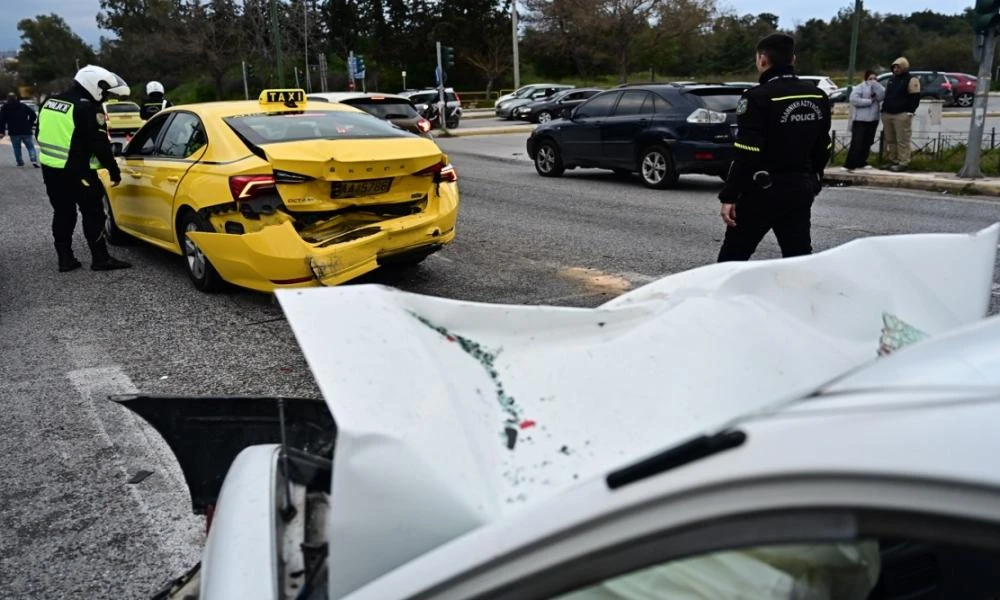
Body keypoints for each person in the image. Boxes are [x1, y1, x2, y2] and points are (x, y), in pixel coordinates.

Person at [717, 32, 832, 262]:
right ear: (793, 60)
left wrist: (729, 195)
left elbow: (747, 152)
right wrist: (813, 179)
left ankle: (721, 299)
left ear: (762, 59)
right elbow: (824, 145)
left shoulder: (757, 97)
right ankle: (802, 298)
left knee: (731, 260)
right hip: (799, 188)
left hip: (761, 190)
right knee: (798, 257)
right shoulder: (817, 95)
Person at [37, 65, 132, 272]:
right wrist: (114, 172)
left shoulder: (50, 102)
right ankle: (100, 258)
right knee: (93, 212)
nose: (105, 98)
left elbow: (39, 133)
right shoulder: (86, 107)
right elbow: (100, 146)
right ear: (94, 86)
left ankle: (65, 258)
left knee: (63, 213)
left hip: (51, 169)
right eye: (105, 93)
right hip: (78, 171)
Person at [880, 57, 920, 172]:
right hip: (888, 112)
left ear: (904, 67)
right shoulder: (892, 79)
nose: (896, 69)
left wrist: (910, 111)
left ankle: (903, 161)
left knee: (902, 139)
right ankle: (893, 159)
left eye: (898, 67)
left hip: (902, 114)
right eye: (894, 67)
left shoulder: (911, 80)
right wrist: (884, 109)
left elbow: (915, 97)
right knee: (890, 139)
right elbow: (888, 94)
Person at [844, 71, 885, 171]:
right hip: (860, 119)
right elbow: (854, 99)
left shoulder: (879, 87)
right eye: (870, 78)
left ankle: (862, 161)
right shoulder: (860, 87)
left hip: (873, 119)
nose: (873, 80)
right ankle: (850, 163)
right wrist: (868, 101)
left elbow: (881, 97)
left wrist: (877, 87)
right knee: (857, 142)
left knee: (867, 141)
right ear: (866, 79)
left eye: (875, 78)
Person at [0, 92, 40, 167]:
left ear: (7, 99)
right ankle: (34, 159)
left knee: (16, 147)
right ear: (16, 98)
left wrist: (2, 131)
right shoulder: (23, 106)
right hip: (26, 130)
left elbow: (2, 120)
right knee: (30, 146)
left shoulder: (5, 108)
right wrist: (29, 124)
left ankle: (20, 162)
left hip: (13, 131)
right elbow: (33, 115)